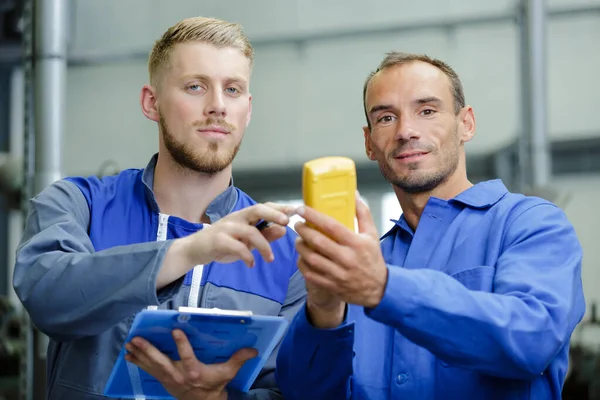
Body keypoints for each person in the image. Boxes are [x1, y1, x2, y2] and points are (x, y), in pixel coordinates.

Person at [13, 16, 305, 400]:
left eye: (232, 89)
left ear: (247, 110)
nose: (217, 106)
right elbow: (47, 297)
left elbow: (295, 389)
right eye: (195, 86)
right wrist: (191, 250)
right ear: (152, 103)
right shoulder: (77, 204)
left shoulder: (286, 252)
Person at [274, 52, 586, 399]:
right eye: (387, 117)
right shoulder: (363, 265)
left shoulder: (530, 223)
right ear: (369, 142)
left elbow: (531, 339)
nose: (406, 131)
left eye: (427, 110)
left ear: (466, 123)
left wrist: (384, 288)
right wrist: (325, 310)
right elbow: (303, 392)